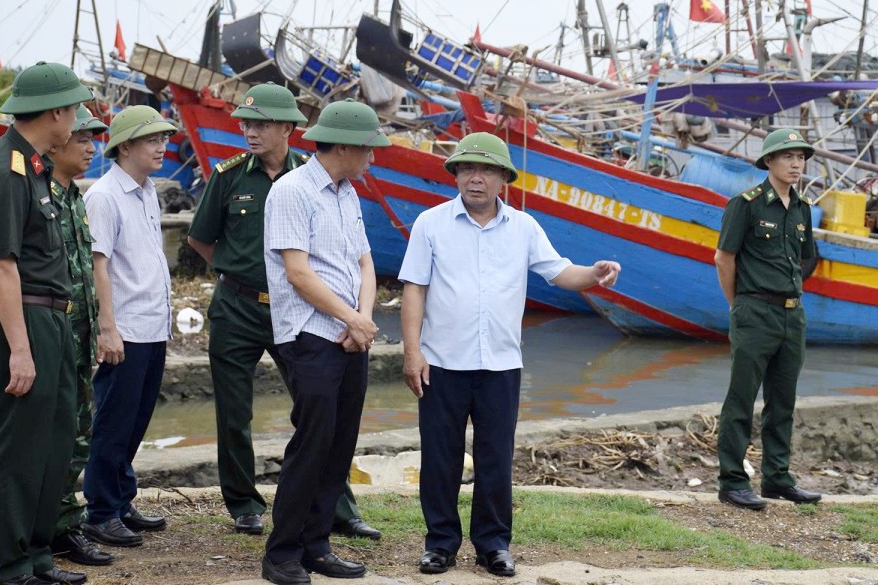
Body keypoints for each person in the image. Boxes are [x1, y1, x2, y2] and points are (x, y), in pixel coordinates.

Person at [399, 132, 621, 578]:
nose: (474, 179)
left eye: (485, 171)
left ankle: (493, 545)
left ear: (504, 178)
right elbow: (414, 288)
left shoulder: (524, 228)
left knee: (496, 458)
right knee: (439, 458)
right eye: (465, 169)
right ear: (455, 175)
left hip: (501, 365)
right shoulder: (431, 224)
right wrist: (412, 351)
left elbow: (561, 272)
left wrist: (594, 274)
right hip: (442, 362)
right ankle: (440, 544)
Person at [186, 84, 380, 540]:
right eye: (247, 124)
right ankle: (244, 504)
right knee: (234, 412)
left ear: (289, 129)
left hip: (299, 312)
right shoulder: (230, 176)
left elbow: (358, 258)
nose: (251, 132)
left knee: (319, 409)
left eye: (262, 124)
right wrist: (237, 274)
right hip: (239, 306)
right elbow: (201, 238)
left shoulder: (319, 177)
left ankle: (338, 507)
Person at [0, 61, 92, 585]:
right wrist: (19, 348)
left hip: (53, 318)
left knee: (53, 443)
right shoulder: (4, 172)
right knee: (18, 449)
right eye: (75, 110)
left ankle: (35, 553)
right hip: (25, 321)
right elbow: (1, 266)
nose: (78, 122)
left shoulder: (35, 168)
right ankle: (2, 564)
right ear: (56, 112)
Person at [259, 100, 389, 585]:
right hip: (312, 335)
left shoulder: (346, 193)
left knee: (339, 445)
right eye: (368, 149)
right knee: (311, 445)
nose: (373, 158)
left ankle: (317, 545)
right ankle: (282, 553)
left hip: (350, 335)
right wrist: (352, 318)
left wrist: (363, 321)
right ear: (344, 146)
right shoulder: (292, 191)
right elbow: (296, 272)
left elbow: (364, 264)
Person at [81, 105, 179, 548]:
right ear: (124, 147)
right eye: (151, 140)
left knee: (136, 420)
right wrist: (108, 328)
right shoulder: (104, 195)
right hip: (126, 328)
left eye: (162, 138)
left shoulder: (148, 190)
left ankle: (121, 500)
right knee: (113, 422)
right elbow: (97, 264)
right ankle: (100, 512)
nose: (162, 147)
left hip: (152, 324)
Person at [713, 128, 822, 511]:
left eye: (801, 157)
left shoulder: (803, 209)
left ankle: (778, 478)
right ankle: (732, 481)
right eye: (788, 156)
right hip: (754, 312)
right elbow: (724, 258)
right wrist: (739, 305)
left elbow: (808, 258)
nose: (796, 164)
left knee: (783, 401)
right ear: (769, 162)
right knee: (741, 399)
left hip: (793, 315)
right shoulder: (746, 204)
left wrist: (785, 290)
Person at [48, 106, 115, 569]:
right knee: (54, 439)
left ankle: (66, 526)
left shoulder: (74, 196)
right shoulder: (41, 194)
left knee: (77, 435)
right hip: (53, 336)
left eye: (95, 139)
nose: (92, 148)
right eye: (84, 139)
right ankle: (48, 531)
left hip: (78, 337)